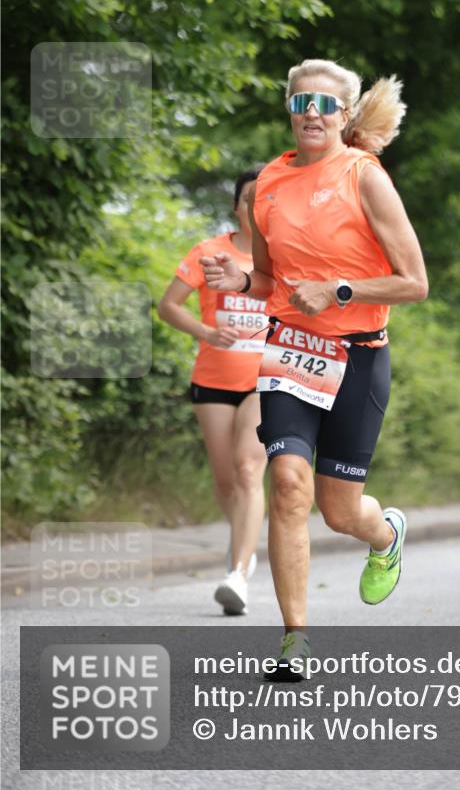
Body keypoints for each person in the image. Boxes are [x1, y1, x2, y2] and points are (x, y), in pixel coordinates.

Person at [201, 58, 428, 675]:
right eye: (301, 102)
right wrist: (240, 280)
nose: (312, 113)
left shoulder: (365, 177)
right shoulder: (269, 183)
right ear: (289, 109)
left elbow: (414, 282)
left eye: (325, 105)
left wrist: (339, 291)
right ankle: (295, 638)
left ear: (344, 115)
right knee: (287, 483)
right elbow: (270, 280)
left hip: (359, 355)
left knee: (339, 511)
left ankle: (385, 535)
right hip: (290, 351)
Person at [157, 166, 268, 614]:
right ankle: (244, 544)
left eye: (264, 199)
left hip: (267, 379)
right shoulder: (209, 251)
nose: (256, 206)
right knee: (226, 481)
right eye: (248, 198)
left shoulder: (284, 257)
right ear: (236, 206)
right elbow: (168, 306)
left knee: (248, 469)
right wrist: (206, 331)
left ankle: (238, 573)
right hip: (214, 379)